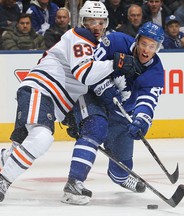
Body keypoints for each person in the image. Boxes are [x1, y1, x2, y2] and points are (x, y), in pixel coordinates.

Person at [0, 1, 132, 206]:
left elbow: (79, 84)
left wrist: (71, 117)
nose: (96, 26)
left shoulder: (93, 46)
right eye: (91, 21)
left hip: (50, 98)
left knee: (20, 151)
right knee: (42, 138)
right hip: (42, 89)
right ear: (83, 21)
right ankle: (2, 182)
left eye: (101, 22)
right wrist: (115, 63)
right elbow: (84, 74)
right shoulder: (80, 36)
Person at [61, 21, 165, 205]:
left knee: (123, 166)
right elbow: (88, 66)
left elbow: (148, 99)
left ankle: (121, 177)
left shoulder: (156, 70)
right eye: (144, 43)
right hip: (92, 98)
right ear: (137, 40)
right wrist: (101, 85)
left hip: (121, 111)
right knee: (95, 129)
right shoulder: (116, 41)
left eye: (152, 46)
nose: (146, 50)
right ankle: (74, 183)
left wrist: (141, 119)